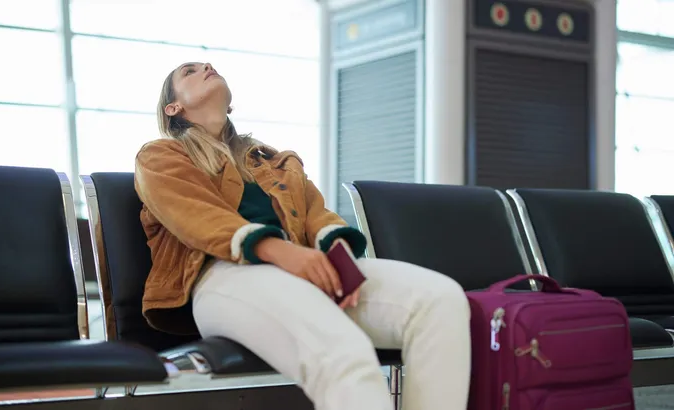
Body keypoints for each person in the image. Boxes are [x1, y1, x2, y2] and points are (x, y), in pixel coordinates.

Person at [134, 61, 471, 410]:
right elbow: (196, 216)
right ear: (173, 108)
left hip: (301, 269)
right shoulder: (161, 156)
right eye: (190, 71)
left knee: (439, 301)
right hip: (223, 276)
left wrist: (338, 254)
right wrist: (280, 251)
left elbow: (316, 215)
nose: (206, 66)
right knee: (342, 352)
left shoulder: (275, 162)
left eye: (206, 65)